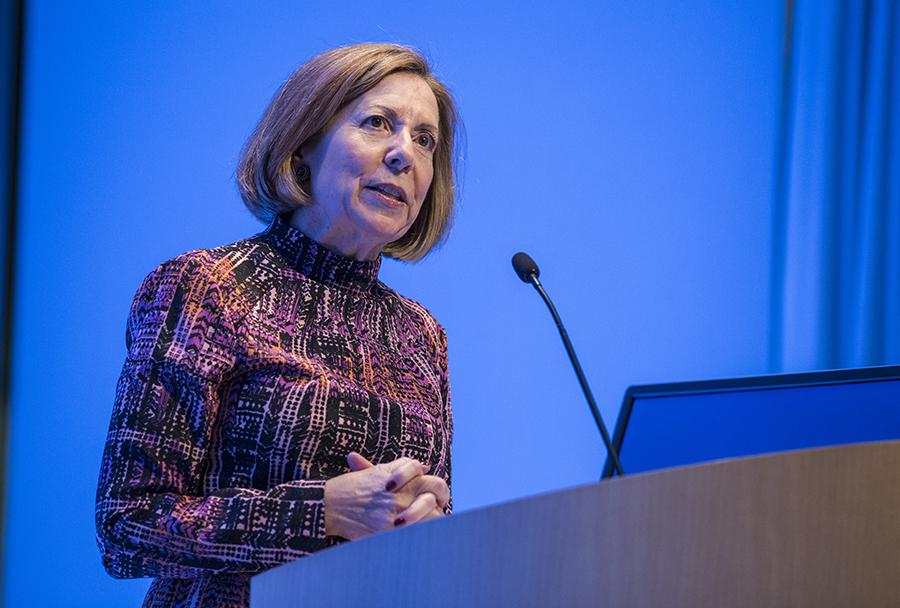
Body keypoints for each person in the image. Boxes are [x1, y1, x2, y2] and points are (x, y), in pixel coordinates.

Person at [95, 43, 459, 608]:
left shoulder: (421, 335)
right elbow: (128, 526)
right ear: (305, 143)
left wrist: (431, 522)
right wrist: (321, 511)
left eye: (425, 140)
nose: (403, 154)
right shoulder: (208, 287)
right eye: (377, 123)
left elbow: (417, 527)